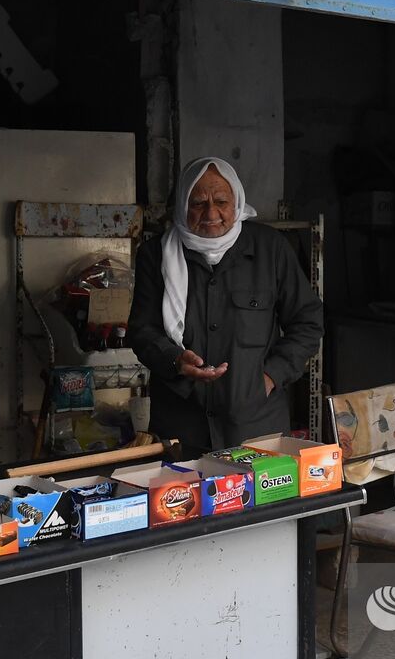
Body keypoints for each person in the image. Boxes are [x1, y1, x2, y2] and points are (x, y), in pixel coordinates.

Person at [127, 157, 324, 459]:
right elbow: (142, 330)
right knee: (184, 506)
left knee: (263, 508)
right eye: (198, 203)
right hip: (182, 429)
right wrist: (176, 360)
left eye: (221, 201)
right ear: (182, 204)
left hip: (257, 429)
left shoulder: (270, 249)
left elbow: (308, 321)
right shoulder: (156, 256)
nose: (211, 213)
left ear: (237, 203)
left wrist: (270, 377)